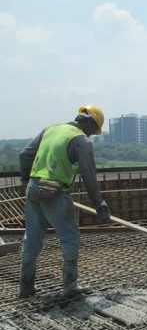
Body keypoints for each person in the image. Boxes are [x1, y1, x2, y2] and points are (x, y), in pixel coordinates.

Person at [18, 106, 112, 298]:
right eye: (94, 131)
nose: (92, 135)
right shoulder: (81, 141)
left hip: (34, 189)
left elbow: (25, 155)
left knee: (32, 239)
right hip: (56, 193)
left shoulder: (50, 129)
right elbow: (89, 175)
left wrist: (29, 181)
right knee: (70, 238)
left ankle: (25, 287)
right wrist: (99, 204)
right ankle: (70, 286)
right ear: (90, 123)